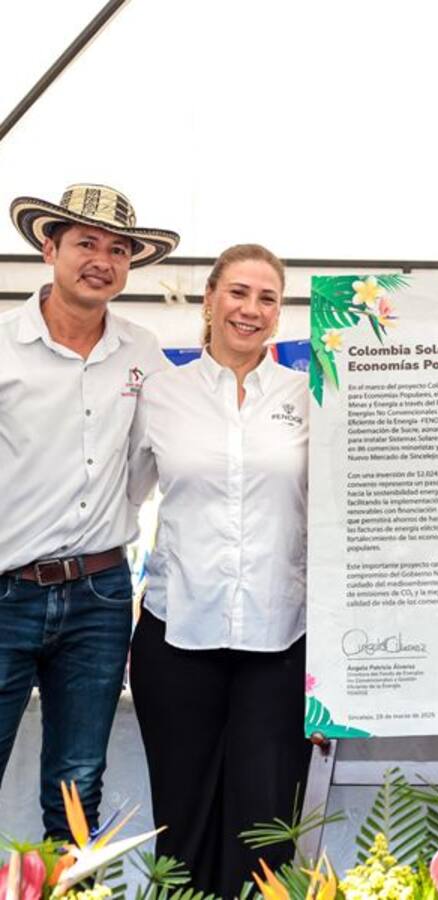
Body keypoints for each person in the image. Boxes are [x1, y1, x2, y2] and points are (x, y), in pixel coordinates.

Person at [127, 244, 310, 896]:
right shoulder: (161, 393)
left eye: (266, 298)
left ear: (279, 314)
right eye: (238, 292)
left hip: (281, 639)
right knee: (182, 828)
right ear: (208, 300)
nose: (250, 309)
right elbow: (123, 495)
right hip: (177, 636)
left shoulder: (309, 397)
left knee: (266, 834)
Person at [0, 184, 178, 839]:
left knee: (77, 788)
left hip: (100, 593)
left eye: (118, 249)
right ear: (49, 248)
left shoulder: (142, 350)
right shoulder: (3, 343)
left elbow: (155, 459)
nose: (101, 259)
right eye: (85, 243)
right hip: (6, 590)